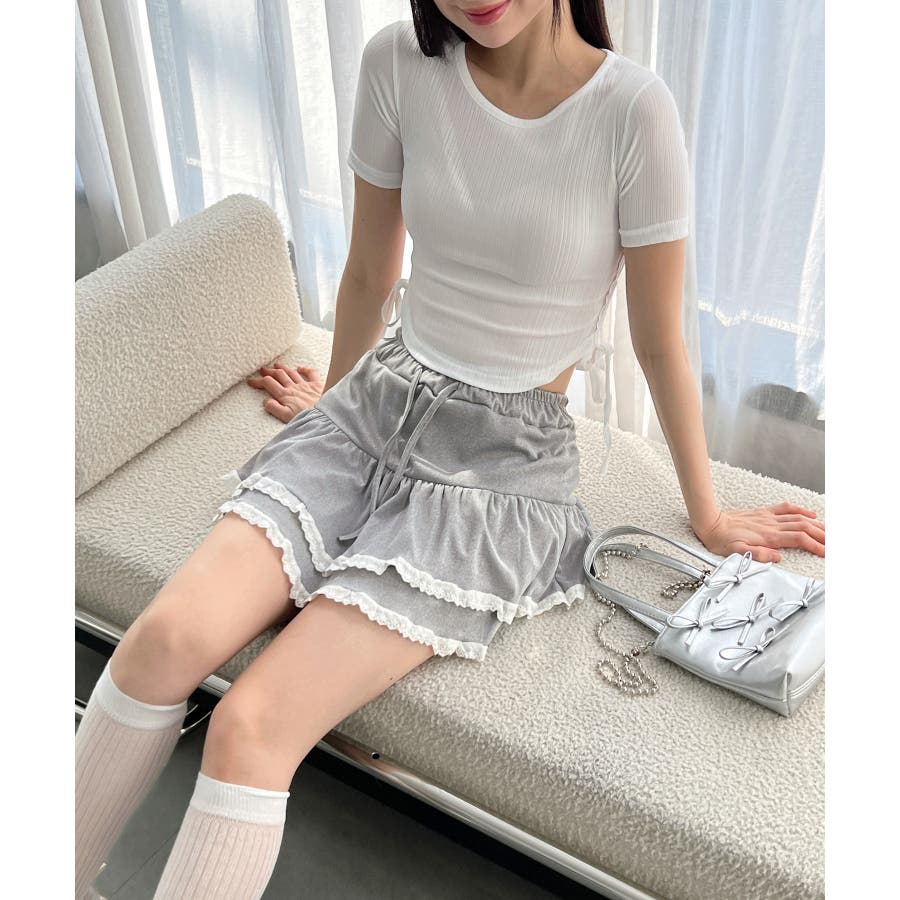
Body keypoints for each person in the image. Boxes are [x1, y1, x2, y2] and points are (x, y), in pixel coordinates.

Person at [74, 2, 826, 897]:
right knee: (159, 641)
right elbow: (369, 272)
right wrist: (333, 400)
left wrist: (708, 512)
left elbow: (661, 339)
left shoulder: (632, 111)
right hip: (371, 410)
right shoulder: (398, 63)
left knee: (250, 726)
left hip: (501, 470)